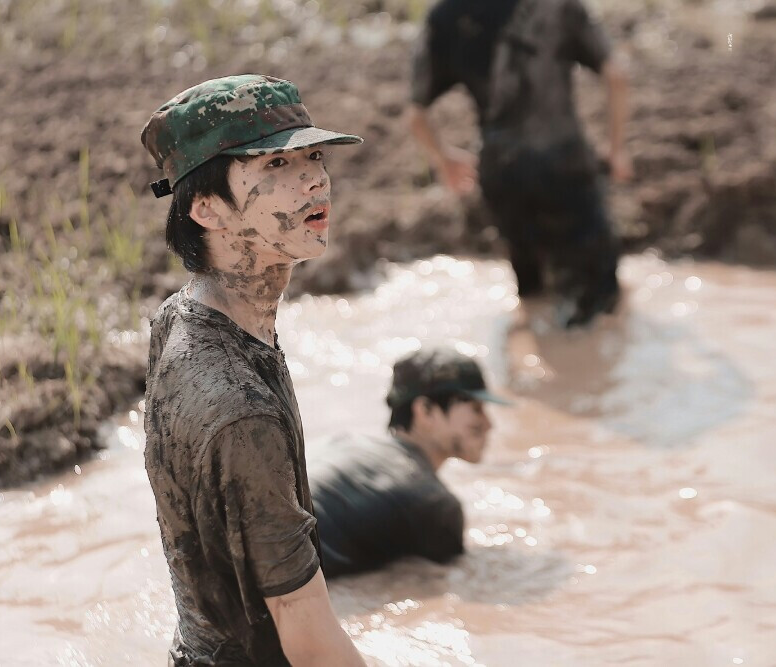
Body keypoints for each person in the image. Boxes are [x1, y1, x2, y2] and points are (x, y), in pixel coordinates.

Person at [141, 75, 366, 666]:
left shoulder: (182, 315)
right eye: (275, 165)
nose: (315, 178)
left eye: (313, 155)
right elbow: (311, 640)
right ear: (206, 208)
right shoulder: (240, 412)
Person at [407, 0, 632, 328]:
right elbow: (617, 75)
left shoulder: (446, 14)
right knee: (602, 304)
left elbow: (416, 114)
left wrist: (443, 159)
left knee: (532, 294)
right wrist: (616, 149)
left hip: (503, 174)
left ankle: (534, 362)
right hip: (567, 165)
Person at [309, 347, 506, 578]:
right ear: (426, 411)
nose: (489, 424)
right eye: (476, 408)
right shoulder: (434, 503)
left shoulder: (344, 441)